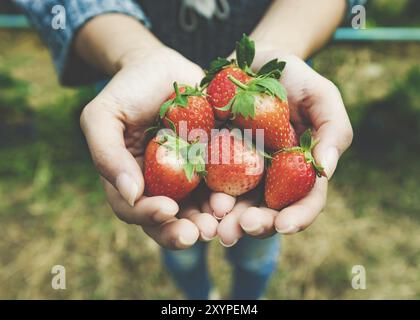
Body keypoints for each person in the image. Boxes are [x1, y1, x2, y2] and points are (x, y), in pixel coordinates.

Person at [14, 0, 356, 299]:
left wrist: (279, 45)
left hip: (274, 83)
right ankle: (199, 297)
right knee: (180, 243)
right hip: (146, 94)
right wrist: (134, 55)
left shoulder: (263, 113)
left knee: (258, 242)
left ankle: (247, 299)